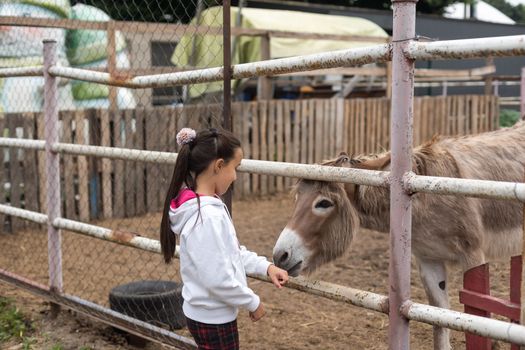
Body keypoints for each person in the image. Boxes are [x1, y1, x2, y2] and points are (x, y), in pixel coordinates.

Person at [160, 127, 289, 350]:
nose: (236, 176)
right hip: (213, 318)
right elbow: (217, 278)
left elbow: (231, 253)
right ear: (219, 166)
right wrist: (252, 301)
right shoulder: (206, 216)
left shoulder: (204, 206)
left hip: (207, 313)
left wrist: (265, 267)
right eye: (234, 168)